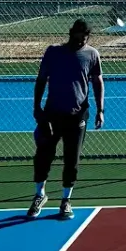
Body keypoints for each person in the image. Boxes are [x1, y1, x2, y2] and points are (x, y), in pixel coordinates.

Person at [29, 19, 105, 219]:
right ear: (71, 34)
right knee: (43, 156)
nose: (80, 41)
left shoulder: (92, 54)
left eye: (84, 38)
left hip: (77, 115)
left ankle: (65, 200)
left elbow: (97, 81)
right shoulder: (53, 52)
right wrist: (37, 107)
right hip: (52, 114)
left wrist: (100, 110)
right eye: (77, 37)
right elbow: (41, 80)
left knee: (72, 160)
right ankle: (39, 195)